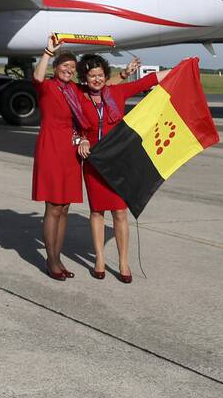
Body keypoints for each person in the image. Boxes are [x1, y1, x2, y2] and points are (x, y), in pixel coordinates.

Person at [75, 54, 170, 283]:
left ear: (106, 77)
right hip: (93, 162)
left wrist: (183, 68)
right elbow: (71, 123)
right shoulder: (77, 96)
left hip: (118, 161)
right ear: (84, 78)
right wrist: (80, 140)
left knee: (119, 212)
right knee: (97, 211)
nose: (96, 79)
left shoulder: (116, 92)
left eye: (100, 75)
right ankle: (99, 259)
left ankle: (123, 262)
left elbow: (148, 82)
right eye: (91, 75)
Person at [31, 34, 86, 281]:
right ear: (56, 68)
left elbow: (102, 86)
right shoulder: (48, 87)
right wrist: (49, 52)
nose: (69, 70)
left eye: (72, 67)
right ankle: (50, 260)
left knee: (64, 207)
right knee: (52, 206)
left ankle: (58, 256)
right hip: (51, 148)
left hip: (70, 151)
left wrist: (126, 74)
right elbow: (37, 76)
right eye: (65, 66)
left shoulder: (74, 90)